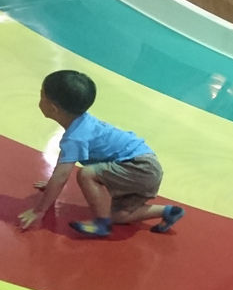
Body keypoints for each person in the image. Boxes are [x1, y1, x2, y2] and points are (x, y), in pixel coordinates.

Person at [18, 70, 185, 236]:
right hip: (146, 167)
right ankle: (168, 211)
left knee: (86, 174)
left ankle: (101, 224)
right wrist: (51, 187)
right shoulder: (82, 124)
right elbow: (62, 165)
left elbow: (62, 176)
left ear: (53, 108)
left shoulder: (75, 138)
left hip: (139, 166)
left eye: (42, 95)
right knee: (117, 215)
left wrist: (38, 210)